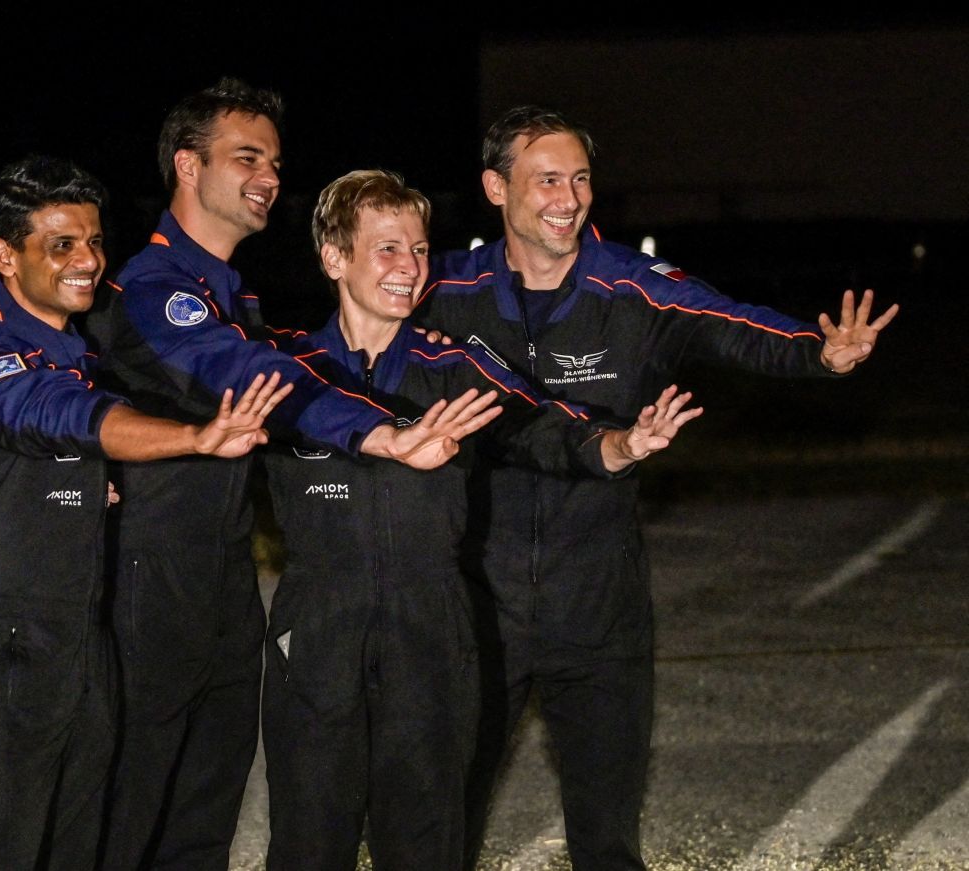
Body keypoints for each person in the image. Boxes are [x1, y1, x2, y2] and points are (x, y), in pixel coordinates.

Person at [413, 106, 900, 870]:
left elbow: (732, 324)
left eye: (579, 178)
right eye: (546, 179)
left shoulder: (633, 288)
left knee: (607, 835)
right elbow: (354, 342)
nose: (568, 197)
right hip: (474, 596)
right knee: (438, 826)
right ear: (494, 188)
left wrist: (820, 353)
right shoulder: (442, 289)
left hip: (600, 599)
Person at [86, 80, 498, 871]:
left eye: (275, 161)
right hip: (151, 584)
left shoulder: (231, 293)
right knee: (130, 808)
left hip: (223, 587)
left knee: (202, 811)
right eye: (247, 157)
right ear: (187, 166)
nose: (269, 176)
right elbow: (247, 375)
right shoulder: (155, 287)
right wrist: (379, 433)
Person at [260, 169, 700, 871]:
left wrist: (619, 445)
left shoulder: (455, 366)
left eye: (420, 249)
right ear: (334, 257)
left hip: (430, 628)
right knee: (309, 839)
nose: (410, 269)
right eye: (387, 249)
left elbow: (544, 423)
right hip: (317, 626)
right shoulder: (283, 365)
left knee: (427, 839)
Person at [0, 155, 291, 871]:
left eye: (93, 241)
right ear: (5, 255)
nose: (87, 260)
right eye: (61, 244)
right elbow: (61, 414)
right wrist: (192, 437)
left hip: (86, 647)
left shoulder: (81, 357)